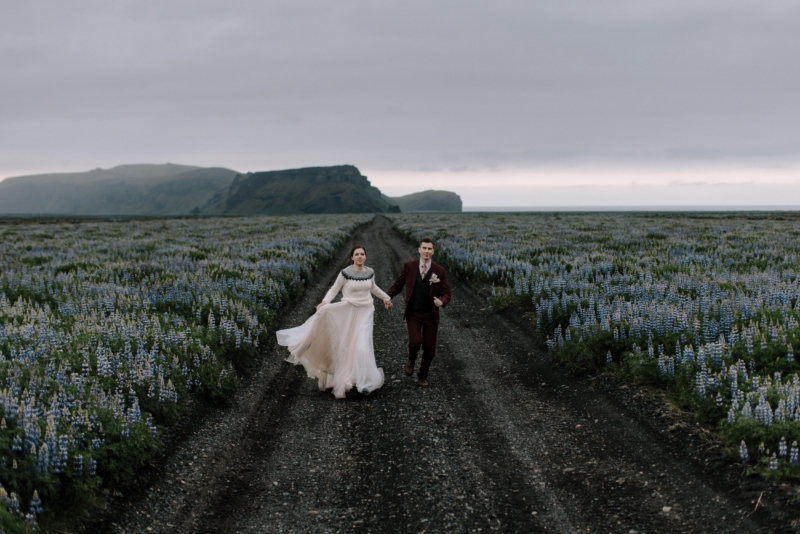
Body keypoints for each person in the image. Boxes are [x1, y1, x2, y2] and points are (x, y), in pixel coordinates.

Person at [276, 245, 393, 399]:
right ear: (352, 257)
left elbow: (373, 287)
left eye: (362, 254)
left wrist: (386, 298)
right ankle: (349, 379)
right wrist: (324, 302)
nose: (359, 256)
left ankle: (364, 382)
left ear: (365, 256)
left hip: (366, 311)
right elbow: (334, 288)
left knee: (362, 347)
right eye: (356, 254)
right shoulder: (345, 273)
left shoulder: (370, 272)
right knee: (347, 346)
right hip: (348, 310)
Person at [386, 238, 451, 388]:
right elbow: (398, 284)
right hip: (414, 313)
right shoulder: (409, 266)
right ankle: (411, 359)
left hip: (430, 315)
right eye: (424, 248)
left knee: (429, 349)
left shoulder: (439, 270)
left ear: (433, 251)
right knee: (415, 342)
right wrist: (387, 296)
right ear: (419, 249)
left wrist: (442, 301)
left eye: (429, 249)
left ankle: (422, 376)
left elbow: (447, 293)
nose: (427, 251)